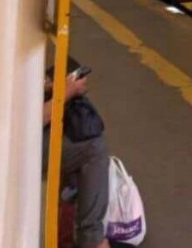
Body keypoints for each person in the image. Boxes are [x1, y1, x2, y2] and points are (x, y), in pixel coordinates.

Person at [44, 63, 110, 248]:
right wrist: (67, 91)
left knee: (77, 139)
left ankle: (76, 236)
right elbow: (35, 118)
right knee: (93, 150)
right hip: (21, 144)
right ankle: (92, 238)